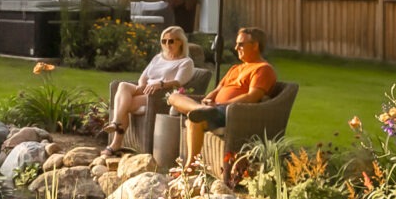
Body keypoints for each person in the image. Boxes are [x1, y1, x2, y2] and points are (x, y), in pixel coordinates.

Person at [168, 26, 279, 176]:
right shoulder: (235, 68)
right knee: (174, 97)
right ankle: (201, 110)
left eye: (241, 44)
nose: (236, 48)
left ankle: (189, 167)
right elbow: (217, 90)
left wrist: (222, 105)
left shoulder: (263, 69)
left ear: (255, 45)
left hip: (231, 112)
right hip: (214, 109)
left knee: (193, 120)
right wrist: (207, 99)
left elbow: (252, 97)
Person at [100, 26, 195, 153]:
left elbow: (178, 82)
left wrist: (161, 84)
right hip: (146, 89)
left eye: (171, 41)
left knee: (125, 104)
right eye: (164, 41)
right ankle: (116, 122)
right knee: (123, 85)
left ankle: (115, 142)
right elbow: (144, 76)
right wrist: (141, 86)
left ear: (181, 42)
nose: (167, 44)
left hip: (160, 94)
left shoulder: (186, 62)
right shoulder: (158, 58)